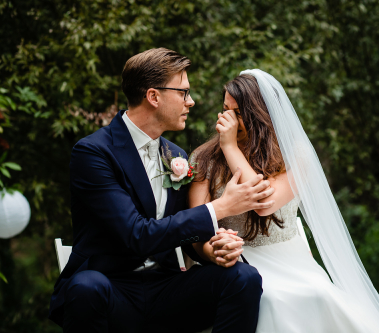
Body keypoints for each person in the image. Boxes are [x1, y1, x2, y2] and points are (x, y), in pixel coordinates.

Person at [48, 49, 277, 333]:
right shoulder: (93, 153)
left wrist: (214, 250)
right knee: (85, 287)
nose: (191, 102)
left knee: (243, 277)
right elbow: (136, 235)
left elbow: (187, 235)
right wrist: (221, 208)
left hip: (167, 289)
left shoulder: (175, 155)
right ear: (154, 97)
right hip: (112, 290)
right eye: (183, 93)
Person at [190, 70, 379, 333]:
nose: (228, 119)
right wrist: (213, 250)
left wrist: (230, 147)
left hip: (291, 259)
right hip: (241, 261)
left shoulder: (296, 156)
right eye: (225, 109)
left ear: (260, 114)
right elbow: (196, 224)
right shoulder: (204, 159)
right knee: (269, 300)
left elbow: (264, 203)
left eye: (238, 112)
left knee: (321, 297)